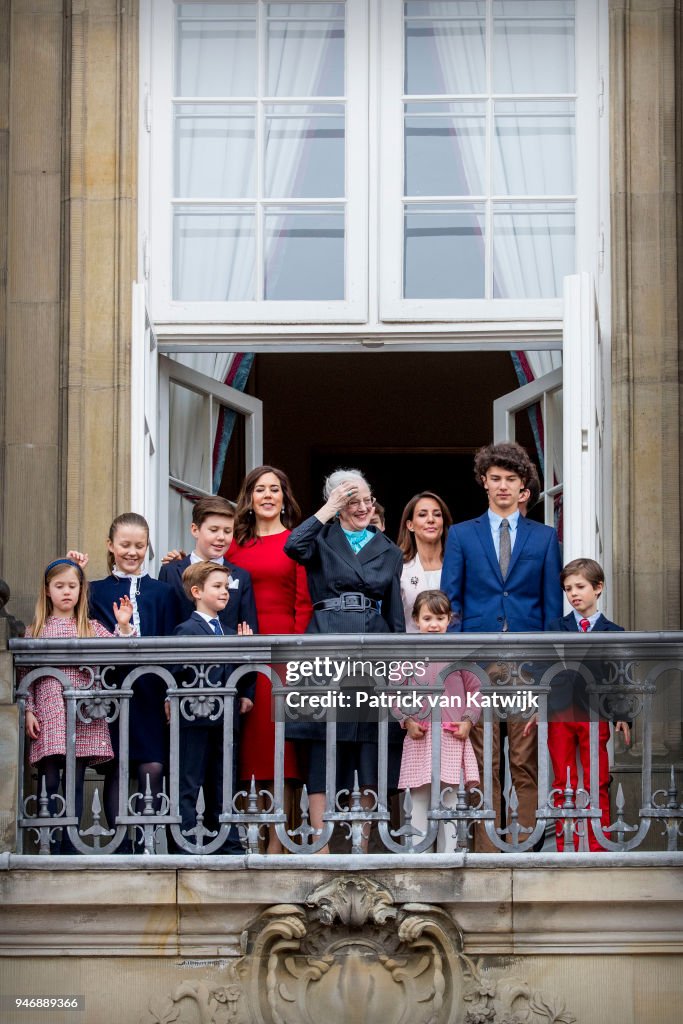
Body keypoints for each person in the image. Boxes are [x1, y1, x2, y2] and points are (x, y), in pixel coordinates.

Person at [441, 441, 563, 852]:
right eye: (496, 479)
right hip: (478, 664)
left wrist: (549, 670)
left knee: (524, 760)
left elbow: (550, 608)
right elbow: (451, 604)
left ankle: (524, 845)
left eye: (511, 479)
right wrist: (455, 669)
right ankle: (487, 847)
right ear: (484, 483)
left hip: (527, 664)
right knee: (483, 761)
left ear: (523, 485)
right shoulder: (461, 535)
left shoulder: (544, 538)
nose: (503, 486)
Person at [284, 469, 405, 851]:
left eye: (367, 499)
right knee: (324, 742)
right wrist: (327, 509)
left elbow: (396, 616)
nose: (363, 507)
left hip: (372, 645)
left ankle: (363, 846)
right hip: (326, 641)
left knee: (370, 744)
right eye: (352, 501)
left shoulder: (389, 549)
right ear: (337, 505)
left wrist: (399, 667)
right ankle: (320, 845)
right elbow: (291, 546)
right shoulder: (320, 538)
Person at [227, 465, 313, 853]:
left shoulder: (296, 542)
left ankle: (279, 842)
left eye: (274, 489)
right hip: (244, 651)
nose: (267, 495)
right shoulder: (233, 546)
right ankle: (250, 839)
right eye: (259, 489)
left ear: (284, 497)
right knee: (250, 749)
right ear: (249, 497)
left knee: (283, 750)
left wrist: (296, 656)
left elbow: (304, 602)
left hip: (284, 653)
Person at [22, 558, 134, 853]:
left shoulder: (91, 627)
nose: (66, 592)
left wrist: (123, 627)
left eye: (72, 586)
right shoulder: (36, 630)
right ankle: (49, 840)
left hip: (84, 713)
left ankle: (70, 841)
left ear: (81, 590)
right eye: (59, 586)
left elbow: (119, 654)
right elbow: (26, 678)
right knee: (48, 778)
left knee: (74, 777)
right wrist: (29, 711)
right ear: (47, 590)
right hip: (49, 711)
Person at [82, 514, 180, 846]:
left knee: (153, 763)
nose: (132, 552)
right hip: (112, 690)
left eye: (140, 545)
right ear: (110, 546)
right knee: (117, 765)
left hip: (153, 690)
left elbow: (173, 643)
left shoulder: (164, 592)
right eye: (125, 545)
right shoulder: (94, 591)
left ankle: (145, 843)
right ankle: (119, 844)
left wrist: (171, 693)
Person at [546, 558, 631, 852]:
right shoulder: (554, 628)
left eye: (580, 587)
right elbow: (542, 670)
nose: (574, 594)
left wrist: (623, 715)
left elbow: (620, 676)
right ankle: (564, 846)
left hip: (595, 715)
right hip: (558, 714)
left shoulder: (613, 631)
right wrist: (535, 708)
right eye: (568, 589)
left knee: (597, 779)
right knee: (562, 781)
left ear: (598, 588)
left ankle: (599, 845)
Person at [171, 561, 254, 855]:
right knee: (189, 780)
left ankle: (227, 842)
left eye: (226, 587)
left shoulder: (230, 631)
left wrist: (246, 652)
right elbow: (178, 671)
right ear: (197, 591)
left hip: (225, 718)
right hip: (194, 717)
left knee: (223, 781)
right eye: (217, 587)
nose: (225, 592)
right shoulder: (186, 630)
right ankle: (186, 842)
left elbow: (240, 673)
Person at [397, 590, 480, 852]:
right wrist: (406, 720)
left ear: (449, 620)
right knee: (418, 800)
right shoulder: (408, 654)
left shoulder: (460, 653)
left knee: (451, 800)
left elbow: (477, 691)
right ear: (416, 620)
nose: (433, 624)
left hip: (451, 736)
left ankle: (450, 857)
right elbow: (393, 691)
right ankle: (418, 858)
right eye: (427, 618)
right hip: (419, 737)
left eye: (440, 618)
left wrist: (468, 720)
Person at [159, 496, 258, 635]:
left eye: (228, 531)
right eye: (213, 530)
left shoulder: (241, 576)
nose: (221, 537)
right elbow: (164, 626)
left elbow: (249, 629)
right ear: (195, 530)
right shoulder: (170, 572)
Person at [397, 491, 452, 633]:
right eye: (422, 515)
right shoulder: (399, 568)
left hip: (455, 651)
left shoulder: (459, 565)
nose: (431, 519)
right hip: (411, 651)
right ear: (410, 525)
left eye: (437, 514)